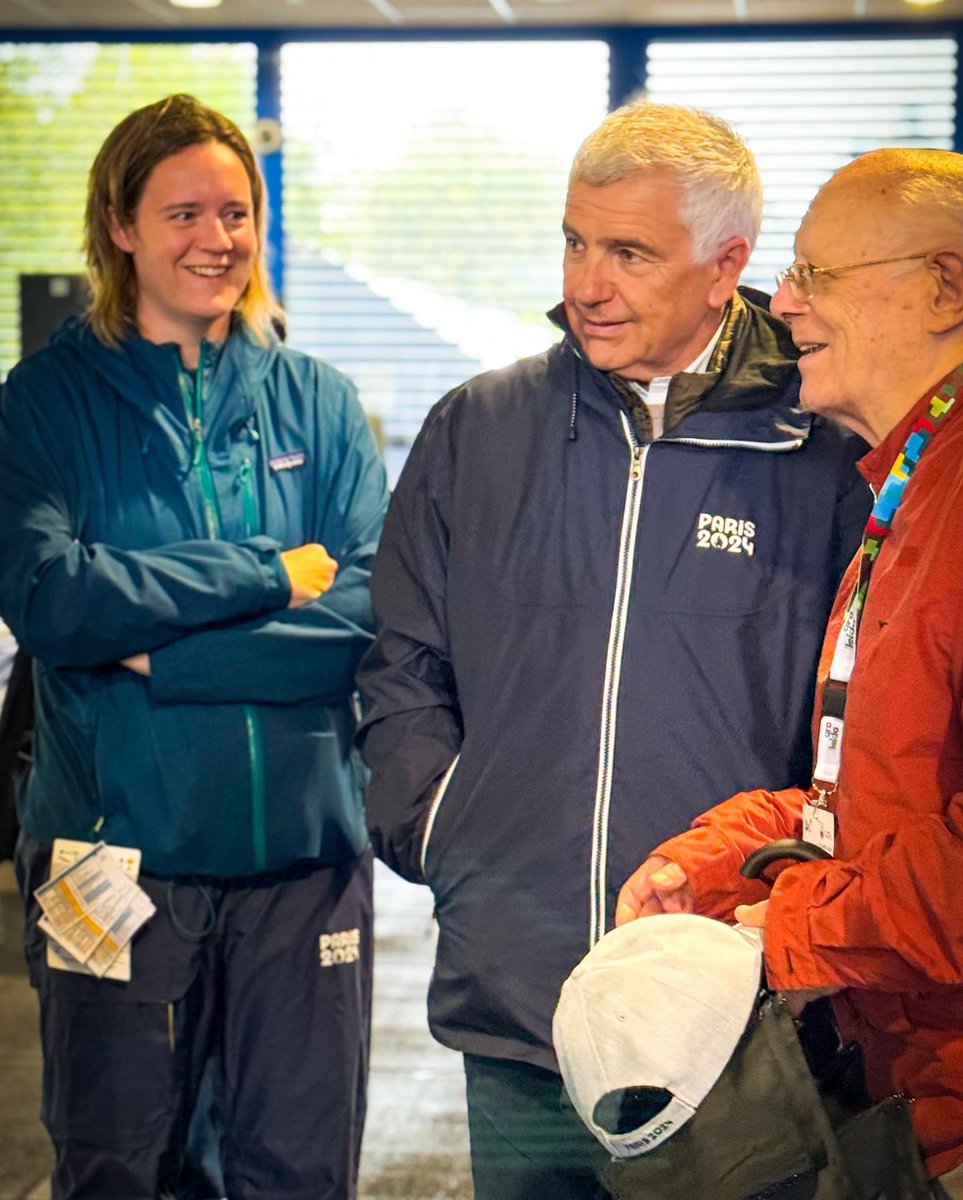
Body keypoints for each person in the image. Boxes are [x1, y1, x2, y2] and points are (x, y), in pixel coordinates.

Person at [357, 100, 871, 1200]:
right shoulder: (476, 430)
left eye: (630, 253)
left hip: (730, 1014)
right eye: (576, 241)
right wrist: (443, 827)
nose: (587, 283)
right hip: (517, 998)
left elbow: (857, 720)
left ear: (726, 263)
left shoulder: (822, 455)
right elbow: (401, 659)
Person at [0, 94, 388, 1200]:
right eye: (182, 214)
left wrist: (165, 658)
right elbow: (56, 602)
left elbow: (367, 615)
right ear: (118, 225)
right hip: (110, 866)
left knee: (301, 1172)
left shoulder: (317, 403)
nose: (216, 241)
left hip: (304, 871)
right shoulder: (42, 406)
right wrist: (262, 573)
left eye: (236, 213)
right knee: (116, 1165)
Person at [615, 146, 963, 1198]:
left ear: (943, 290)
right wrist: (718, 862)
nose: (785, 304)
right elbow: (859, 800)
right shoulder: (904, 486)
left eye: (815, 274)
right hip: (909, 1095)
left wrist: (792, 930)